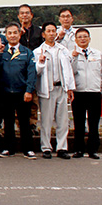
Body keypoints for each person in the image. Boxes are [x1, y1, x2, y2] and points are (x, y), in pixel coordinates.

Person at [0, 22, 37, 160]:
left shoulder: (27, 52)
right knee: (8, 121)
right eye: (9, 33)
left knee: (25, 122)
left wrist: (29, 90)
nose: (12, 36)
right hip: (5, 92)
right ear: (6, 35)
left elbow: (31, 73)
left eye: (15, 33)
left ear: (19, 34)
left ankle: (28, 149)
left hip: (22, 92)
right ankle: (8, 148)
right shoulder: (1, 52)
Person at [34, 22, 75, 159]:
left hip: (61, 88)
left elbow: (68, 70)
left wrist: (69, 87)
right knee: (46, 120)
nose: (51, 33)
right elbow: (36, 72)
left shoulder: (62, 50)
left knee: (63, 120)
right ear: (43, 34)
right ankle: (46, 147)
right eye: (49, 31)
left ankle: (62, 147)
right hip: (47, 89)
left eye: (53, 31)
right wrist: (40, 62)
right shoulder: (38, 51)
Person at [70, 28, 101, 159]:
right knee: (79, 122)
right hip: (79, 92)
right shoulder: (72, 55)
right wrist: (74, 57)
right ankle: (79, 150)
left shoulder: (98, 54)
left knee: (94, 123)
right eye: (80, 37)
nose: (83, 39)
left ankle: (93, 150)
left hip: (94, 92)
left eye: (85, 36)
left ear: (89, 39)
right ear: (76, 40)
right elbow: (69, 73)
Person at [17, 4, 42, 135]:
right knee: (19, 98)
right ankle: (19, 125)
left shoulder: (38, 31)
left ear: (31, 15)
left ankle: (32, 125)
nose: (24, 15)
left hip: (34, 69)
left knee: (33, 98)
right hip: (18, 70)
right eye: (22, 13)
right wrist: (19, 34)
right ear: (18, 16)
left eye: (27, 13)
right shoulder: (15, 31)